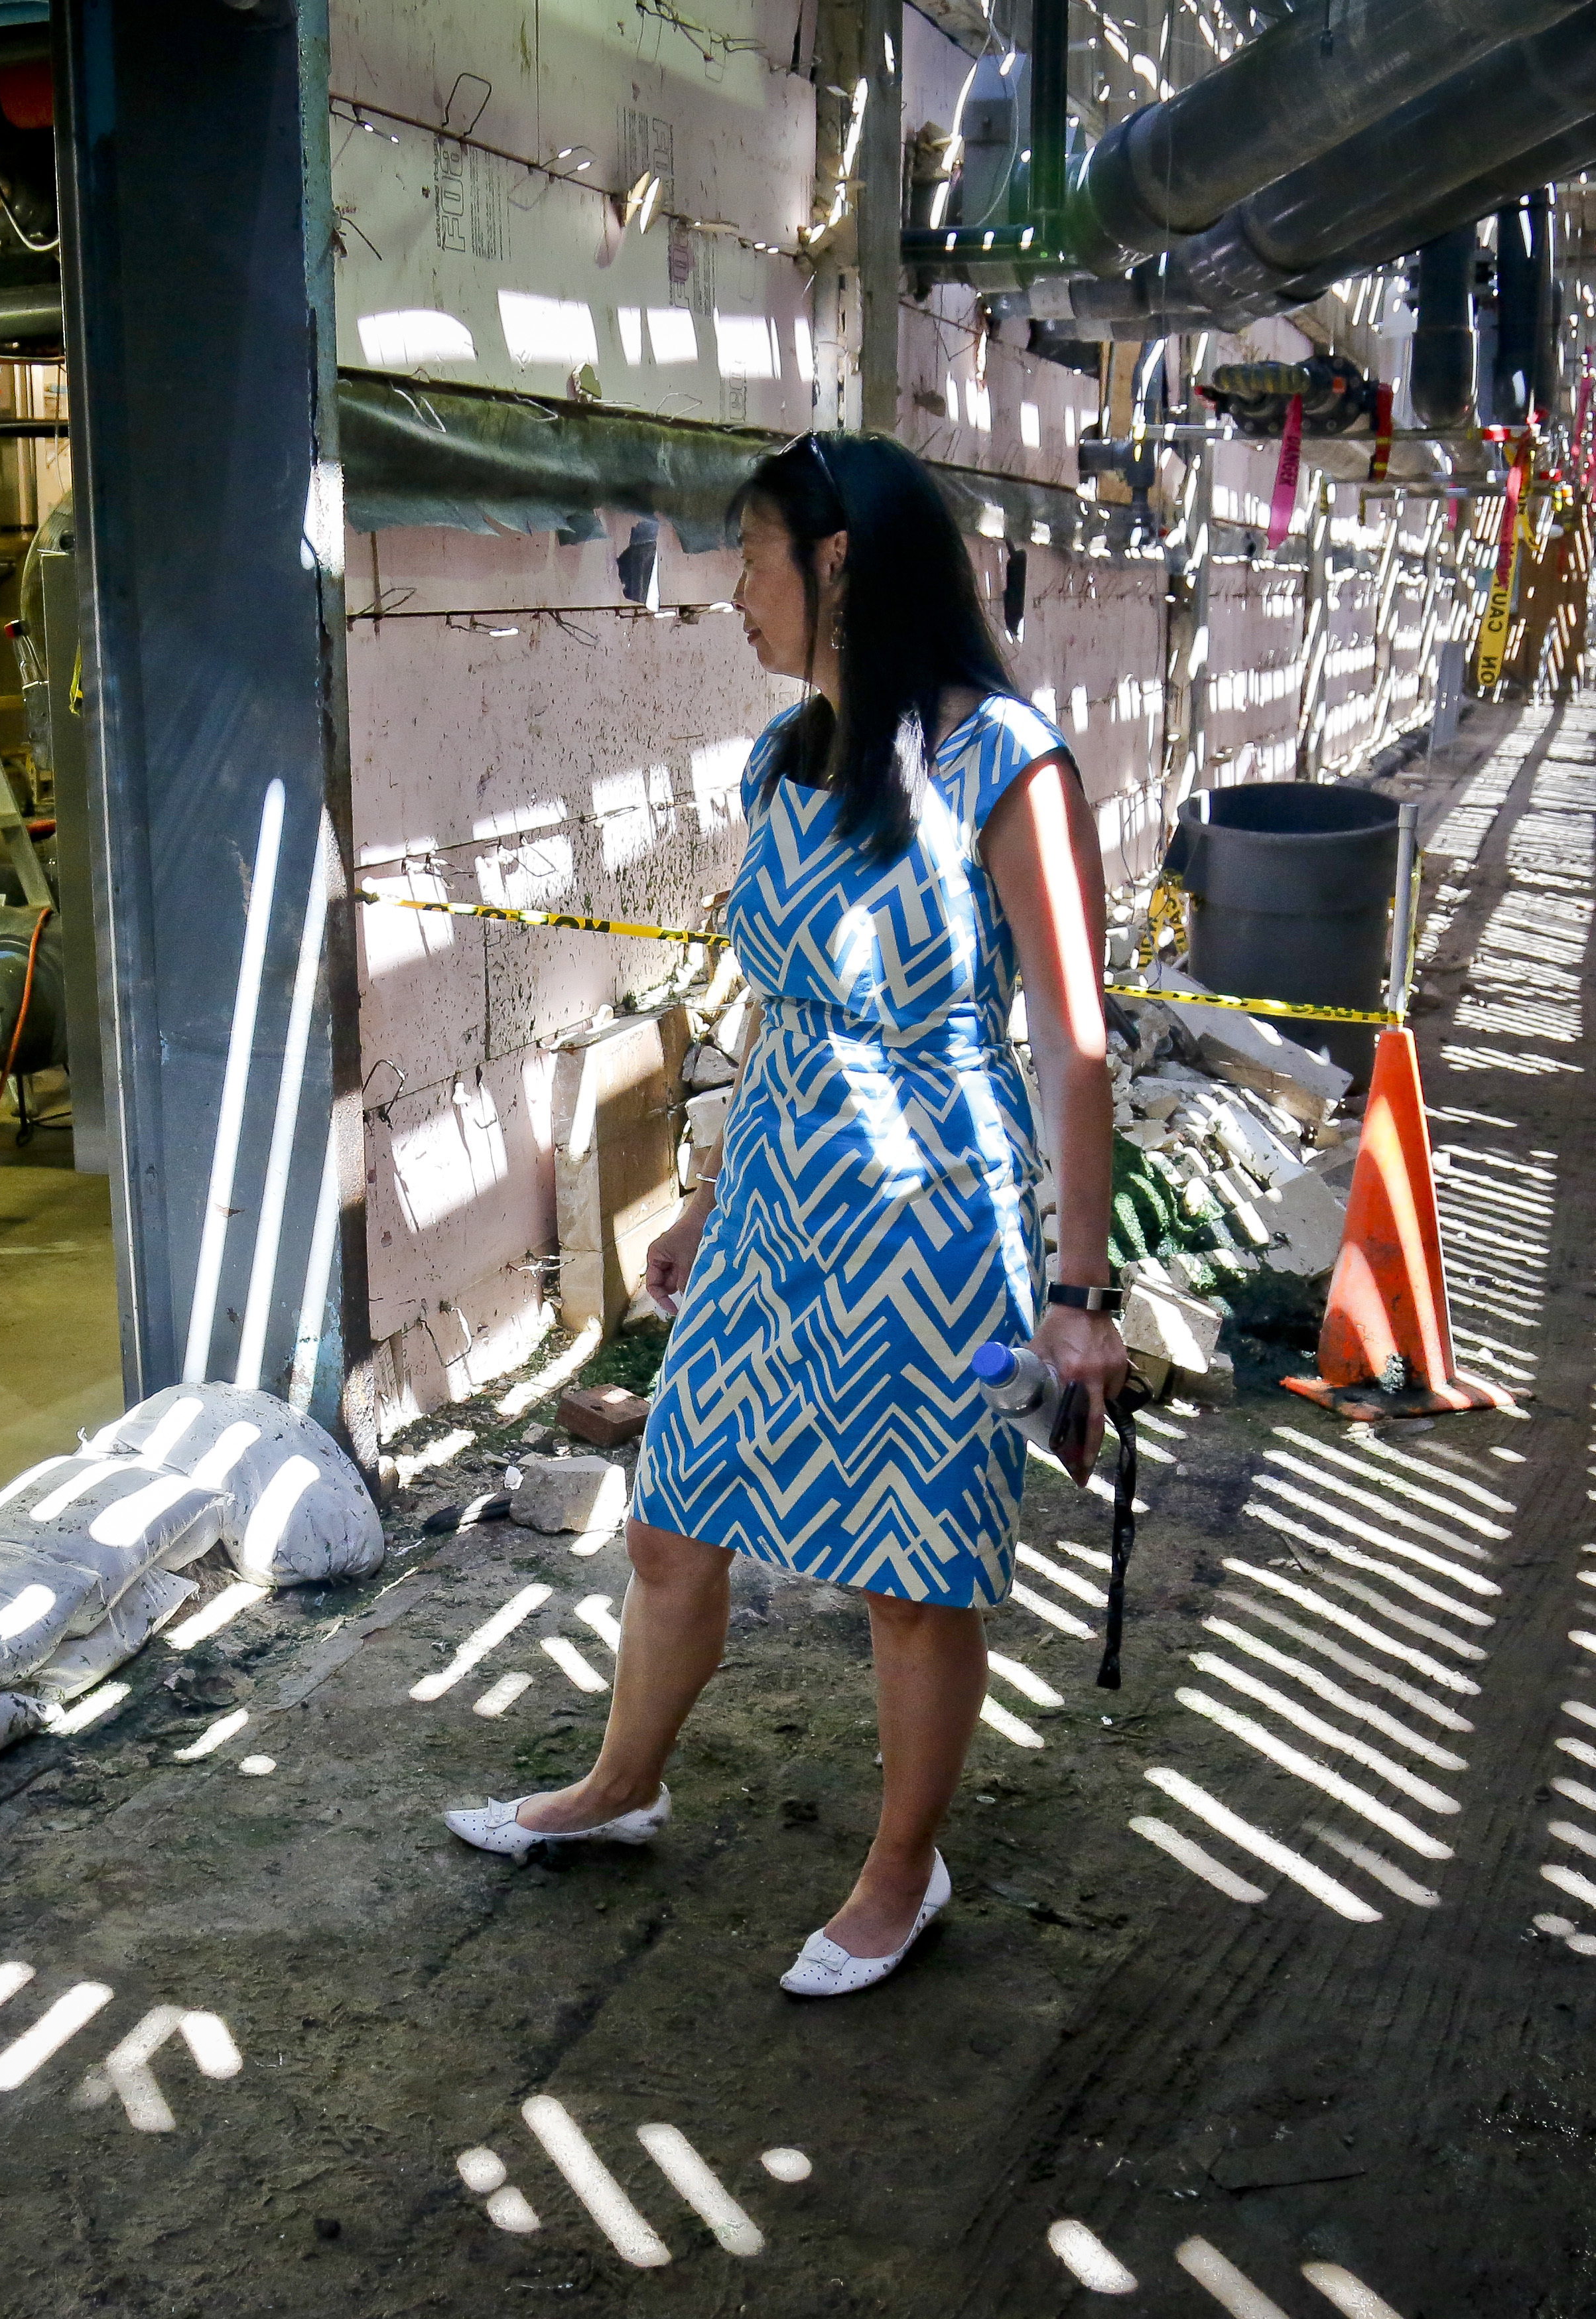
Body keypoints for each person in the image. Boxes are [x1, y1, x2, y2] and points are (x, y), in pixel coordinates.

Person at [444, 432, 1129, 1997]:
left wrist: (1077, 1289)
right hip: (778, 1192)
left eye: (748, 556)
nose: (729, 592)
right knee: (676, 1513)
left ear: (836, 561)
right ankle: (620, 1785)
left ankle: (904, 1866)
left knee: (909, 1570)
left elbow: (1073, 1040)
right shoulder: (787, 759)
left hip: (930, 1211)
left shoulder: (1002, 759)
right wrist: (704, 1191)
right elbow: (777, 1006)